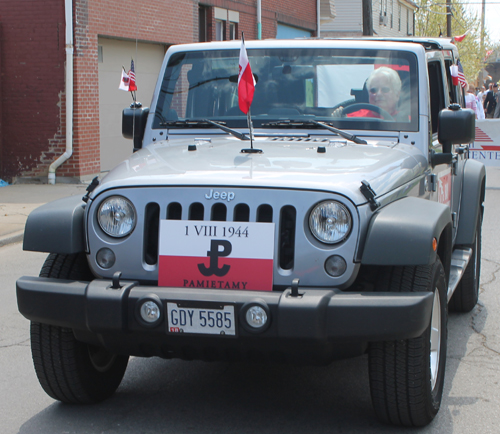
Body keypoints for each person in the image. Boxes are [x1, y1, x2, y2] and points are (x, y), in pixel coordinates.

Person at [333, 67, 402, 119]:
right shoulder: (352, 118)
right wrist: (339, 120)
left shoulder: (407, 122)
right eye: (373, 90)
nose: (379, 94)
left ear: (397, 95)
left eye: (385, 89)